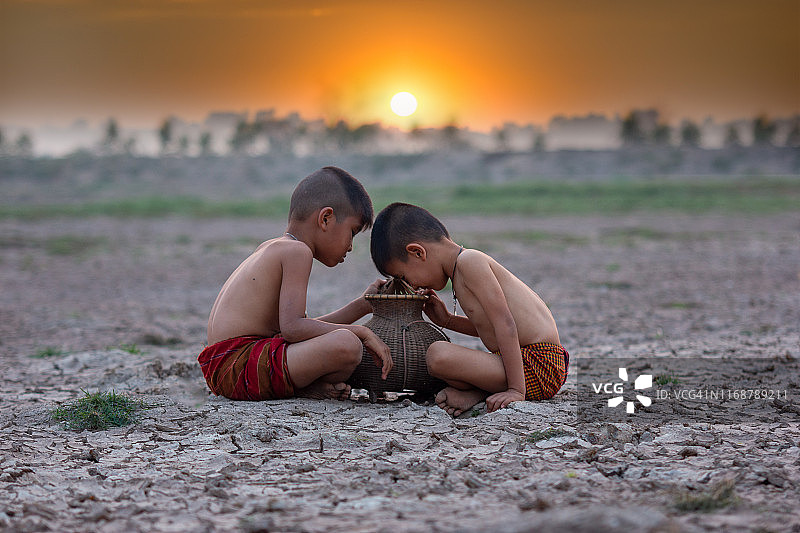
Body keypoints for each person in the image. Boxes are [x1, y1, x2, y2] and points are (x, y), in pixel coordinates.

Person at [198, 166, 392, 402]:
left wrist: (362, 305)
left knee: (342, 341)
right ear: (325, 218)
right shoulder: (297, 252)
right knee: (348, 345)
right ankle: (301, 389)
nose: (350, 246)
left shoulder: (275, 246)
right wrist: (361, 332)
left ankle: (304, 388)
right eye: (352, 233)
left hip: (233, 365)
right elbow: (293, 329)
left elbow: (298, 330)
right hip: (241, 366)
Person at [370, 202, 568, 416]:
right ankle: (479, 393)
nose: (413, 285)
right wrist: (447, 320)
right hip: (523, 362)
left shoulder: (470, 262)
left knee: (438, 354)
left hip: (540, 364)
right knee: (438, 363)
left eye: (404, 277)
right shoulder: (460, 272)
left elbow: (506, 323)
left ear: (418, 252)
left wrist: (515, 390)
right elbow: (491, 327)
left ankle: (491, 390)